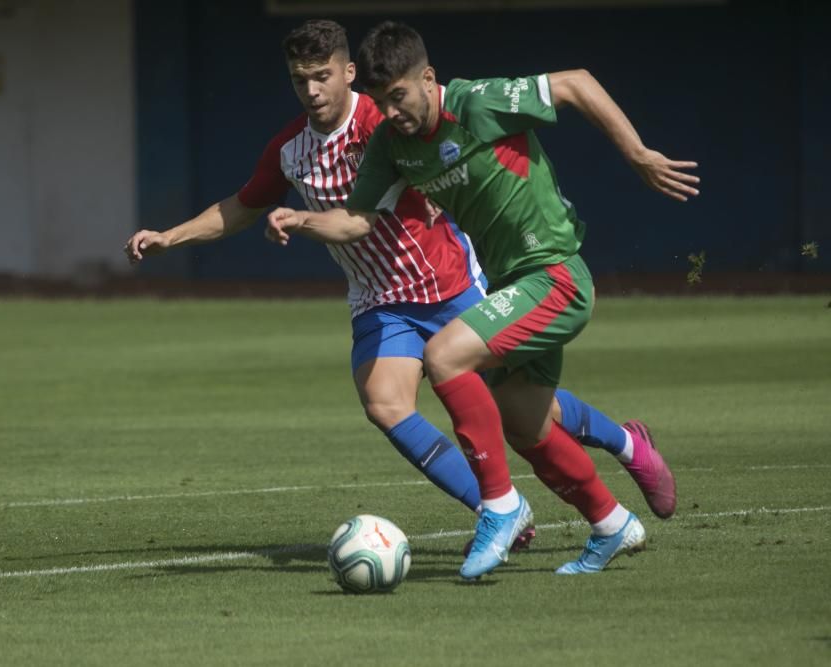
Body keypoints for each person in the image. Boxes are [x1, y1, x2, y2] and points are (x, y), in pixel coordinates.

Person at [126, 20, 674, 537]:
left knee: (532, 409)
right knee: (385, 402)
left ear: (347, 74)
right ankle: (498, 510)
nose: (312, 90)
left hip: (447, 282)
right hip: (378, 299)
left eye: (321, 76)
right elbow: (244, 205)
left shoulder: (387, 121)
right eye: (299, 80)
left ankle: (626, 443)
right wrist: (169, 237)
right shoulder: (290, 149)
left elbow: (443, 150)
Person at [266, 21, 698, 576]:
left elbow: (578, 84)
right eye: (380, 101)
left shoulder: (476, 103)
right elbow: (356, 219)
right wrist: (302, 219)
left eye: (399, 95)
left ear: (428, 78)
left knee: (445, 355)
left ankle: (499, 506)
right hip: (510, 286)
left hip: (555, 273)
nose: (391, 111)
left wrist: (637, 153)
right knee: (524, 423)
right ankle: (613, 522)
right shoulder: (390, 144)